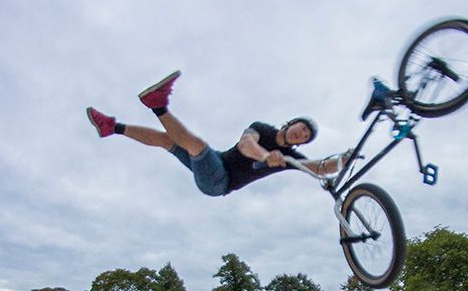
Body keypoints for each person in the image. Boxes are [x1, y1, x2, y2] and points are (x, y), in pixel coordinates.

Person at [86, 70, 351, 197]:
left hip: (218, 183)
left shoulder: (290, 157)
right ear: (290, 123)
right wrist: (266, 155)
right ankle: (113, 128)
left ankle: (158, 105)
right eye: (301, 129)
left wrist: (345, 159)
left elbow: (318, 168)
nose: (301, 136)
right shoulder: (262, 129)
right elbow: (247, 144)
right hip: (218, 161)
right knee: (170, 141)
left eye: (306, 137)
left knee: (197, 145)